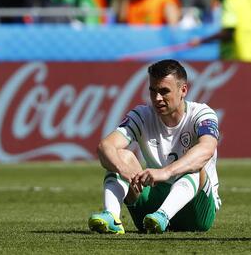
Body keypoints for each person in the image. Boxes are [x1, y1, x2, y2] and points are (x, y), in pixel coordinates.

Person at [88, 59, 220, 234]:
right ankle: (112, 216)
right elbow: (105, 146)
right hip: (150, 213)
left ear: (183, 90)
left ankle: (164, 215)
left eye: (164, 91)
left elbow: (207, 149)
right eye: (153, 91)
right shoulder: (142, 115)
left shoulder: (202, 113)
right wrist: (123, 169)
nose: (157, 98)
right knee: (120, 156)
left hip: (195, 213)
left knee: (195, 165)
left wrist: (165, 172)